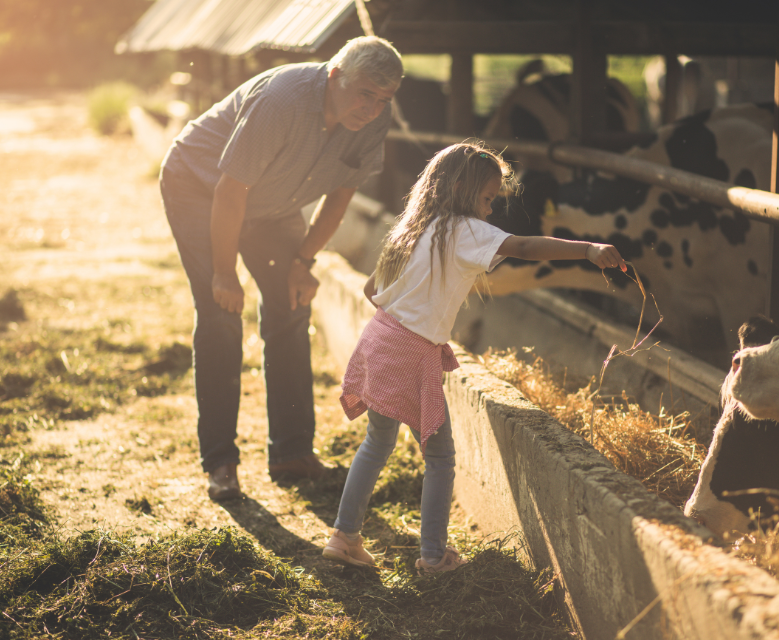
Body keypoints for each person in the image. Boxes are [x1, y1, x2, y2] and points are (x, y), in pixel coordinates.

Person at [322, 141, 627, 574]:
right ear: (463, 189)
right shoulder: (462, 229)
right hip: (410, 349)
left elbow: (371, 289)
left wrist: (411, 307)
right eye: (487, 199)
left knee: (377, 443)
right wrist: (587, 250)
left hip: (379, 338)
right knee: (441, 456)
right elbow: (522, 247)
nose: (488, 211)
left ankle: (343, 536)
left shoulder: (413, 226)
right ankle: (433, 556)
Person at [159, 36, 403, 500]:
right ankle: (221, 463)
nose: (372, 109)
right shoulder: (283, 101)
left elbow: (340, 199)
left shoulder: (373, 118)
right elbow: (230, 193)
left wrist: (302, 263)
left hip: (272, 203)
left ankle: (291, 452)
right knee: (221, 314)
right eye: (365, 94)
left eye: (383, 99)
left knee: (292, 305)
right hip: (201, 187)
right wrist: (225, 274)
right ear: (335, 77)